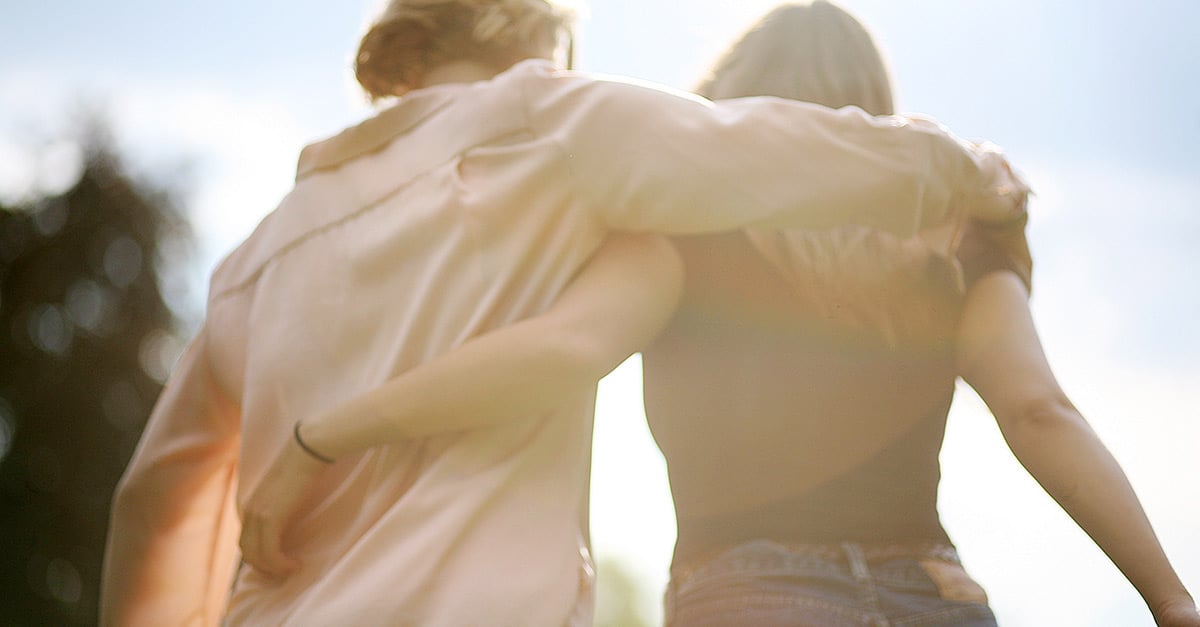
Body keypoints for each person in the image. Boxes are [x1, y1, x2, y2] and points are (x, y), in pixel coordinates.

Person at [99, 0, 1029, 624]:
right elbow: (773, 147)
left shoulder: (254, 262)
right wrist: (972, 174)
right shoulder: (551, 125)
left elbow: (153, 504)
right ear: (539, 30)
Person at [636, 3, 1198, 626]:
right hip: (934, 595)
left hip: (751, 590)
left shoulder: (676, 227)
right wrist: (1171, 600)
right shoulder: (961, 238)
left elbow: (571, 359)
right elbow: (1039, 410)